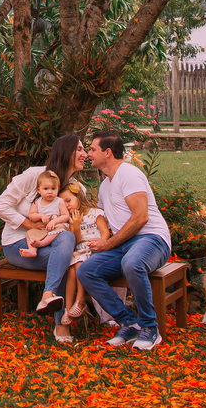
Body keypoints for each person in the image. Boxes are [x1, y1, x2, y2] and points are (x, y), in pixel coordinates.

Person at [77, 131, 172, 352]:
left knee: (132, 263)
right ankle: (129, 322)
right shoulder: (104, 186)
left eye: (93, 149)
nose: (89, 154)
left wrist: (109, 244)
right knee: (87, 271)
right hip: (125, 243)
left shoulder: (129, 174)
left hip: (152, 239)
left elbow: (141, 217)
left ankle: (150, 327)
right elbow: (106, 223)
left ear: (108, 152)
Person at [0, 134, 87, 344]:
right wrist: (30, 224)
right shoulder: (35, 176)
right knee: (64, 258)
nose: (85, 154)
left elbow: (73, 229)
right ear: (66, 152)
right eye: (80, 149)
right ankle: (62, 326)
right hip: (19, 244)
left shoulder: (75, 189)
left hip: (55, 242)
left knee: (67, 241)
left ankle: (48, 296)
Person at [57, 183, 109, 324]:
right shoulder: (70, 219)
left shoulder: (95, 213)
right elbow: (76, 240)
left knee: (79, 264)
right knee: (71, 272)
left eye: (69, 200)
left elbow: (105, 232)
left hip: (94, 250)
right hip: (79, 250)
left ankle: (80, 300)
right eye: (63, 203)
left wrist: (101, 244)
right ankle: (68, 309)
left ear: (79, 197)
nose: (67, 205)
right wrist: (76, 225)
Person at [19, 170, 71, 257]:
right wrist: (40, 215)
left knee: (61, 227)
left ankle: (42, 243)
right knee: (29, 234)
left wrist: (54, 222)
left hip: (55, 227)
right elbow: (31, 215)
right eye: (46, 189)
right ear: (39, 190)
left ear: (58, 189)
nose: (50, 192)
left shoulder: (59, 201)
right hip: (42, 228)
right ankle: (32, 250)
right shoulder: (37, 202)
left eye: (53, 189)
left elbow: (66, 216)